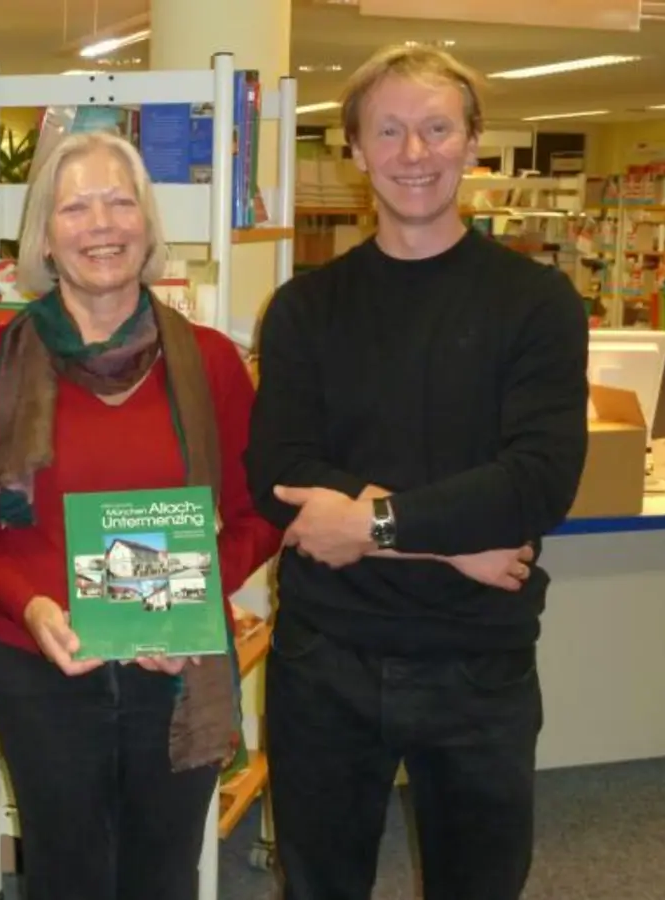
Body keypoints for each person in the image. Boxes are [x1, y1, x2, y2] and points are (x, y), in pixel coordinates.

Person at [245, 44, 590, 900]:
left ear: (473, 144)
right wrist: (445, 546)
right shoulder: (304, 309)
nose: (413, 153)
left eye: (437, 129)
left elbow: (538, 481)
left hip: (479, 666)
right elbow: (282, 476)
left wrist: (369, 526)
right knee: (319, 885)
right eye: (389, 130)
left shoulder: (537, 303)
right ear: (355, 150)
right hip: (328, 660)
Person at [0, 130, 283, 900]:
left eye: (120, 202)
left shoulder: (210, 362)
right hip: (45, 672)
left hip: (176, 675)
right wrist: (29, 607)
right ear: (46, 238)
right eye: (77, 207)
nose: (102, 224)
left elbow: (258, 513)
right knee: (65, 878)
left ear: (148, 226)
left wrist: (184, 601)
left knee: (164, 877)